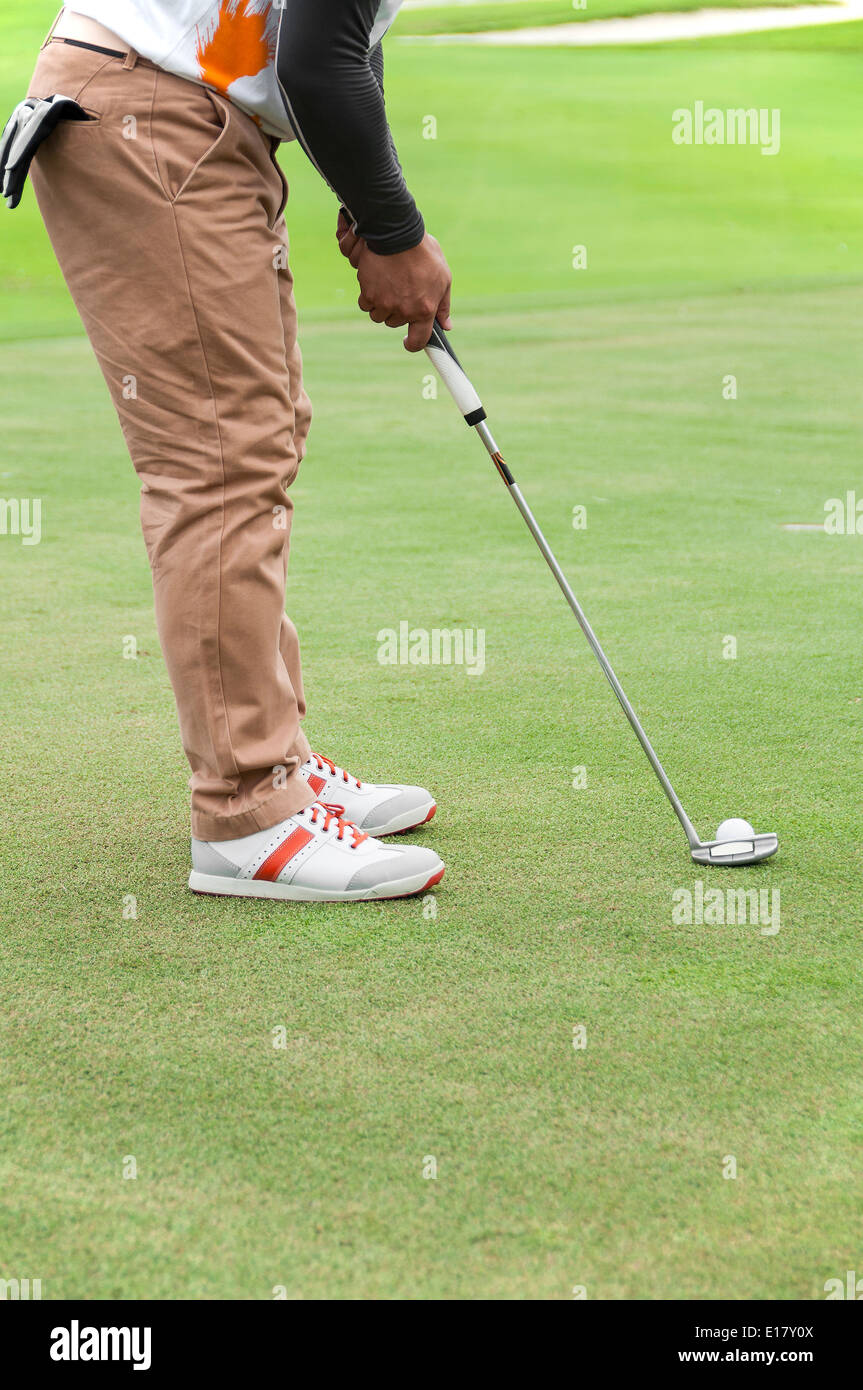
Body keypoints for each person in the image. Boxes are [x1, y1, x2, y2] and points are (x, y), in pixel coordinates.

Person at [1, 2, 452, 903]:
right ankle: (247, 813)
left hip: (182, 110)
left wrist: (374, 201)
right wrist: (397, 235)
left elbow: (341, 45)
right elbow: (318, 63)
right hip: (149, 109)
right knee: (218, 464)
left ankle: (275, 762)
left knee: (263, 435)